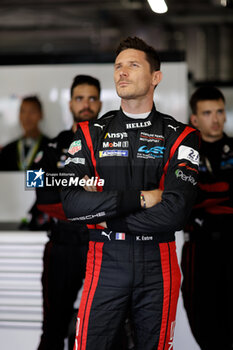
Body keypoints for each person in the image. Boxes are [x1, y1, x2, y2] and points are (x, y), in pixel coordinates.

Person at [61, 36, 200, 350]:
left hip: (158, 261)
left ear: (155, 77)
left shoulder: (182, 136)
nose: (121, 72)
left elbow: (175, 212)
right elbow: (71, 204)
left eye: (132, 65)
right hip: (106, 260)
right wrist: (140, 198)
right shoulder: (89, 133)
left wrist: (106, 219)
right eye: (118, 66)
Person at [35, 75, 102, 350]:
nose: (85, 105)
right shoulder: (52, 146)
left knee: (105, 325)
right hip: (62, 245)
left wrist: (70, 191)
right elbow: (41, 193)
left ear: (99, 103)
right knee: (54, 325)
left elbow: (119, 196)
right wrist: (90, 194)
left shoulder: (113, 145)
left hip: (102, 245)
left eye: (91, 98)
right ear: (70, 103)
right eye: (79, 98)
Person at [181, 86, 233, 350]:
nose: (216, 119)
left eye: (220, 112)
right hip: (199, 249)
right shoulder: (185, 153)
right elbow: (186, 198)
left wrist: (204, 194)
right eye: (208, 113)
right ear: (195, 119)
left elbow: (200, 195)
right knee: (202, 322)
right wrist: (222, 191)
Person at [0, 95, 49, 171]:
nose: (27, 117)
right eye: (23, 111)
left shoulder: (52, 148)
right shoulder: (7, 151)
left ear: (41, 115)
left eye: (32, 112)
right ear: (19, 115)